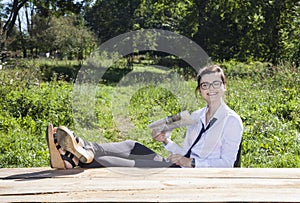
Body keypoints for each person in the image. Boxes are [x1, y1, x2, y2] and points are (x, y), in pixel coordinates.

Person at [46, 65, 243, 169]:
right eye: (205, 85)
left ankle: (72, 159)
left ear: (224, 86)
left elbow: (227, 163)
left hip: (191, 174)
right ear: (200, 90)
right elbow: (185, 149)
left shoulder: (231, 120)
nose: (211, 89)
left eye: (216, 84)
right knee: (133, 146)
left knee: (134, 164)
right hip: (178, 165)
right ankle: (82, 145)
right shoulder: (197, 115)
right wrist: (166, 140)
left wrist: (190, 163)